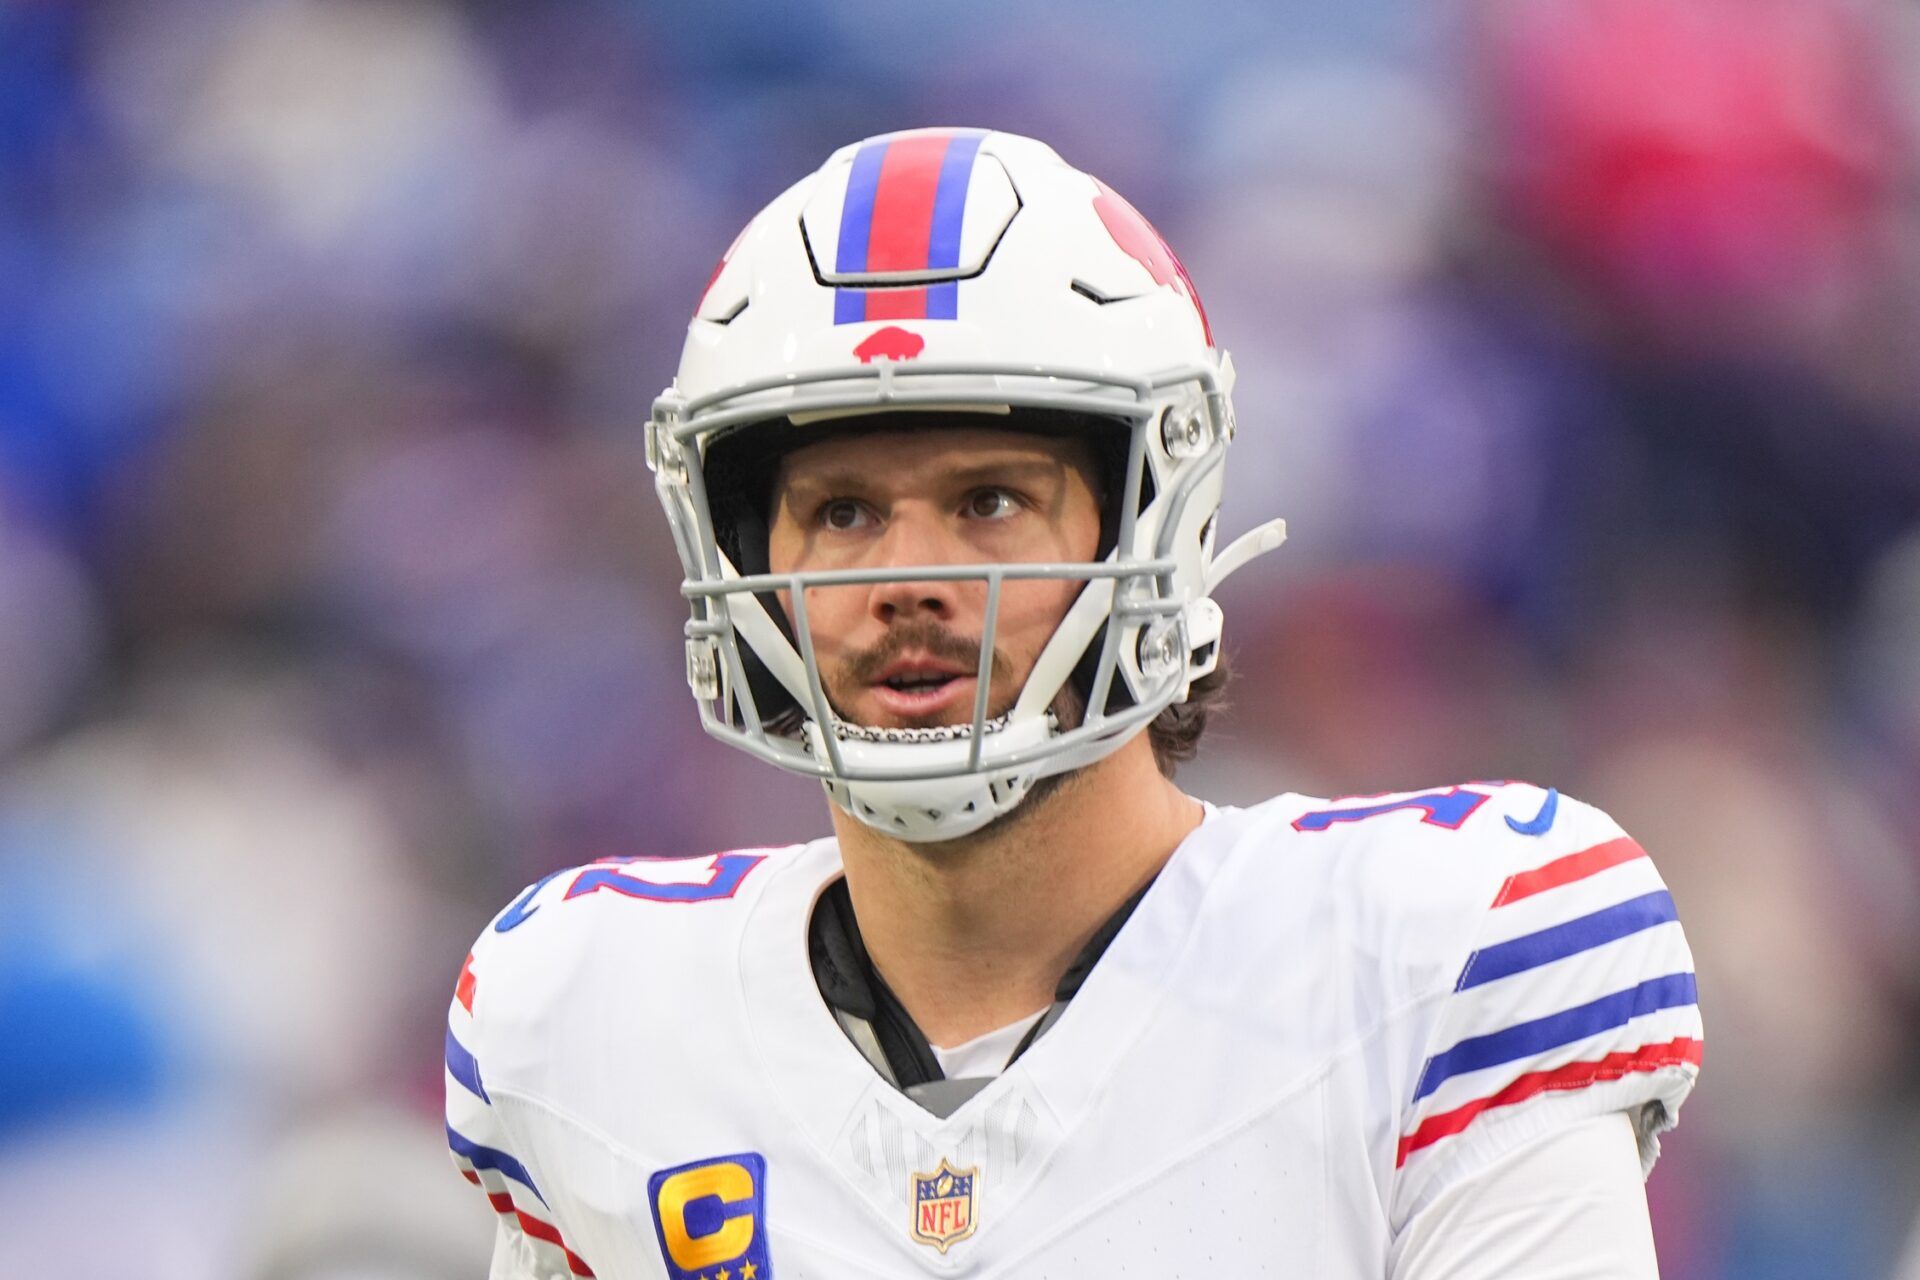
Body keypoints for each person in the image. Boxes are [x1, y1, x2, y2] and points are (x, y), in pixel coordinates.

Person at [444, 128, 1703, 1279]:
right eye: (842, 512)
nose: (907, 581)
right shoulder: (591, 1011)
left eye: (990, 500)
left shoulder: (1433, 952)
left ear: (1153, 519)